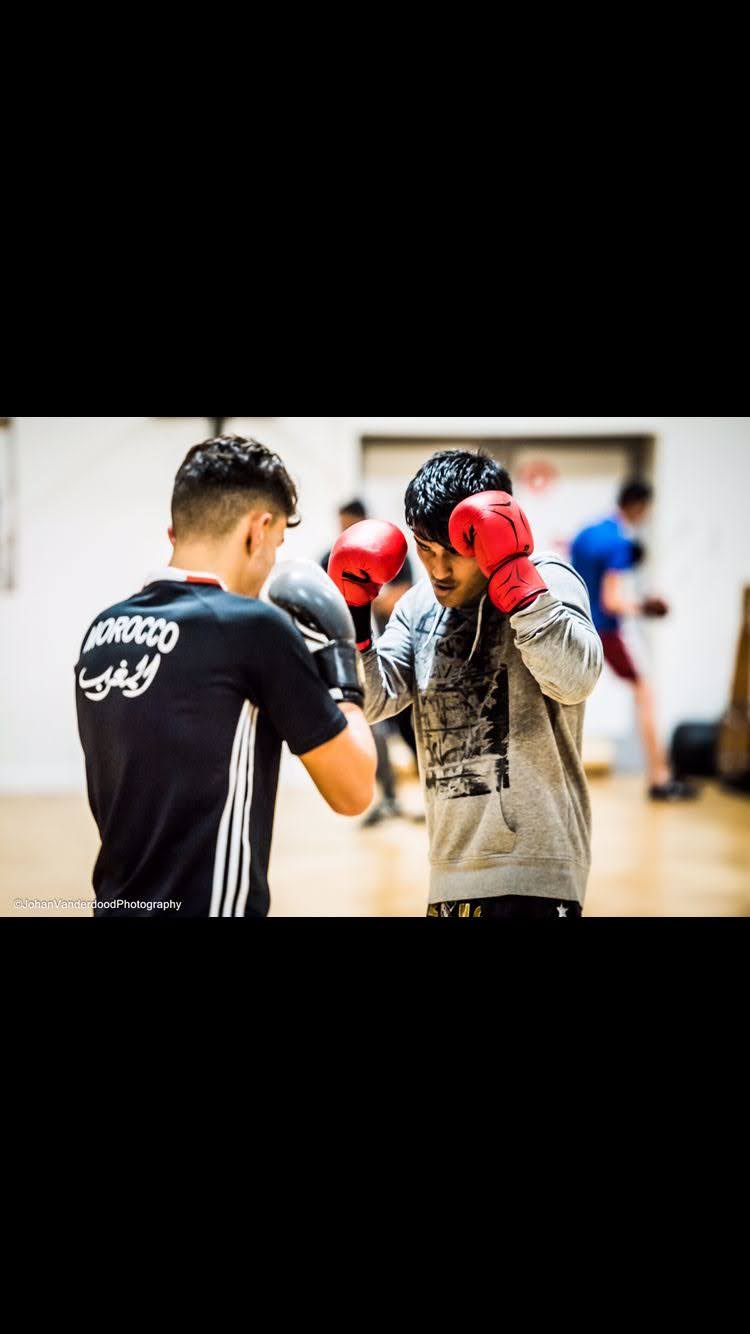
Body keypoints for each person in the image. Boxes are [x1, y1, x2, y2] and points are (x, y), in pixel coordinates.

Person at [75, 436, 376, 918]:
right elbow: (353, 789)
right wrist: (342, 666)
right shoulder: (252, 630)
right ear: (258, 531)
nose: (271, 565)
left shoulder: (102, 634)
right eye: (276, 546)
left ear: (175, 532)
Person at [328, 450, 603, 920]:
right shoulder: (417, 606)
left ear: (489, 536)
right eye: (425, 549)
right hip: (449, 870)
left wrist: (519, 586)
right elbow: (373, 698)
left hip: (537, 870)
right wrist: (352, 614)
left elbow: (576, 679)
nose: (438, 570)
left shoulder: (548, 577)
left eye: (454, 552)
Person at [571, 479, 696, 801]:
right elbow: (611, 601)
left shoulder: (586, 533)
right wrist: (646, 607)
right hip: (605, 631)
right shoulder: (619, 542)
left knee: (566, 699)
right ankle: (659, 778)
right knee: (644, 692)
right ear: (639, 506)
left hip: (576, 627)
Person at [323, 500, 417, 828]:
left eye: (348, 523)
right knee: (372, 728)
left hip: (395, 653)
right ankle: (388, 797)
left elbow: (401, 594)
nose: (343, 530)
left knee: (409, 729)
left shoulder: (391, 555)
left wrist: (364, 598)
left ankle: (433, 789)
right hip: (357, 657)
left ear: (361, 519)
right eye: (340, 524)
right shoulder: (330, 558)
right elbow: (327, 606)